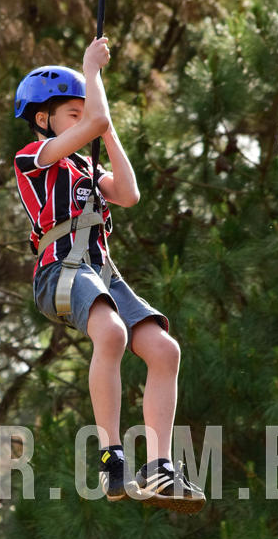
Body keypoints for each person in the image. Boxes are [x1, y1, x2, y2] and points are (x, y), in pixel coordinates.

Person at [14, 36, 205, 514]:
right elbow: (95, 120)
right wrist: (91, 72)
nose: (84, 119)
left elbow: (128, 192)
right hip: (59, 269)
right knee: (113, 333)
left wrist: (106, 134)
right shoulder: (34, 158)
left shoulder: (82, 168)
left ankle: (159, 467)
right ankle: (111, 456)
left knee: (164, 350)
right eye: (71, 114)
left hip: (99, 270)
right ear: (44, 120)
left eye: (84, 111)